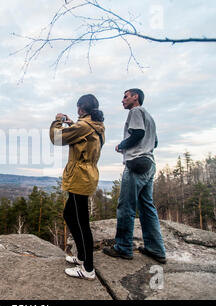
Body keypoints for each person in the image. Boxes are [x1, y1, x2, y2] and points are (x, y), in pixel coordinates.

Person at [102, 88, 167, 264]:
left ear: (135, 97)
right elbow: (155, 142)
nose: (123, 100)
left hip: (137, 164)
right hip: (149, 164)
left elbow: (137, 134)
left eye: (125, 96)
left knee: (126, 207)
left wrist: (121, 145)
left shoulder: (136, 111)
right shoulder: (150, 117)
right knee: (147, 207)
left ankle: (123, 248)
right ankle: (156, 250)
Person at [49, 94, 105, 280]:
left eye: (78, 107)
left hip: (80, 176)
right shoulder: (96, 125)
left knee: (82, 223)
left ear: (82, 108)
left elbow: (56, 139)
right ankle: (81, 256)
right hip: (87, 175)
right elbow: (83, 135)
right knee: (69, 215)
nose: (77, 110)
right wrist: (73, 123)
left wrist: (58, 121)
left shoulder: (83, 127)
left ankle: (88, 269)